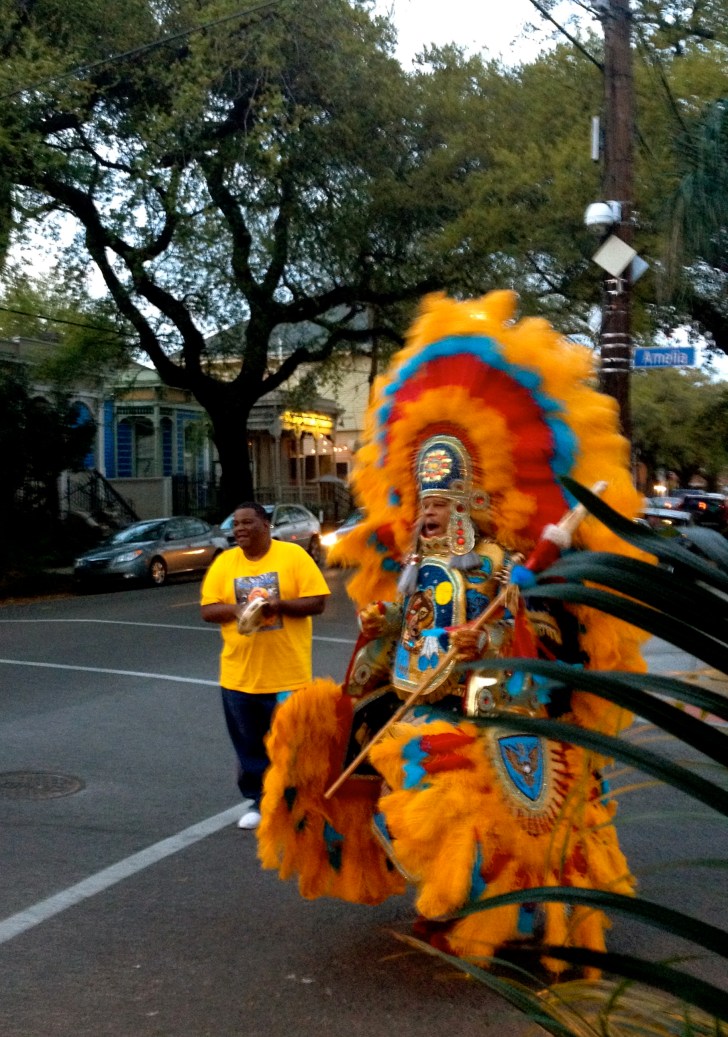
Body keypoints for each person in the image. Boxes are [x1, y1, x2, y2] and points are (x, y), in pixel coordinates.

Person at [257, 290, 648, 970]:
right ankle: (452, 905)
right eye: (419, 500)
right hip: (423, 699)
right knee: (377, 784)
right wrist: (381, 631)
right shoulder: (415, 570)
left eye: (436, 502)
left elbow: (548, 635)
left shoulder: (500, 564)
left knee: (475, 814)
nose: (424, 512)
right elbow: (400, 648)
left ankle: (507, 920)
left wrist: (487, 640)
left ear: (467, 501)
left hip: (496, 710)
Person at [201, 501, 330, 830]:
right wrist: (237, 610)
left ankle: (298, 802)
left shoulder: (293, 556)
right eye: (236, 525)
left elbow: (318, 601)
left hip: (288, 674)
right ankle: (260, 802)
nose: (240, 529)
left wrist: (279, 604)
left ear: (266, 525)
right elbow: (208, 609)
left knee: (292, 745)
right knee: (249, 744)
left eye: (247, 523)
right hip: (239, 676)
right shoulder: (225, 562)